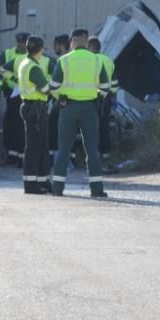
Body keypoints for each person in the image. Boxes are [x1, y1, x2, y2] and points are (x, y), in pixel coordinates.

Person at [49, 28, 110, 198]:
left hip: (68, 108)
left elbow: (53, 87)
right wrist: (97, 98)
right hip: (90, 109)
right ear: (86, 41)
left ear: (72, 41)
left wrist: (60, 99)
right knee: (92, 150)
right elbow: (106, 88)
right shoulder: (96, 60)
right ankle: (97, 190)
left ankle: (58, 188)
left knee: (63, 149)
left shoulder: (64, 60)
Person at [17, 36, 53, 194]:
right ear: (40, 50)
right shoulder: (34, 67)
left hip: (31, 107)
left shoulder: (24, 63)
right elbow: (45, 89)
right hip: (36, 108)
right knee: (35, 148)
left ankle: (42, 181)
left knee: (39, 146)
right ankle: (32, 185)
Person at [87, 35, 118, 169]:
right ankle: (106, 154)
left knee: (91, 126)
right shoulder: (108, 60)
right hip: (107, 97)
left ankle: (94, 155)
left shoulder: (89, 60)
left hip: (93, 96)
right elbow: (115, 82)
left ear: (90, 47)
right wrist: (113, 98)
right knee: (104, 126)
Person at [0, 32, 29, 163]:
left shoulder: (32, 56)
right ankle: (11, 155)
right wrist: (12, 79)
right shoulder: (8, 54)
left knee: (22, 126)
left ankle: (20, 156)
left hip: (26, 95)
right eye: (19, 42)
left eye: (24, 42)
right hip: (12, 94)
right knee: (10, 125)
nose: (21, 45)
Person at [49, 34, 71, 168]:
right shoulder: (68, 60)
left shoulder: (63, 61)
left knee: (58, 132)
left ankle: (61, 162)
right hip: (66, 101)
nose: (54, 48)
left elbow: (57, 84)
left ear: (61, 45)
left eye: (55, 45)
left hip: (62, 102)